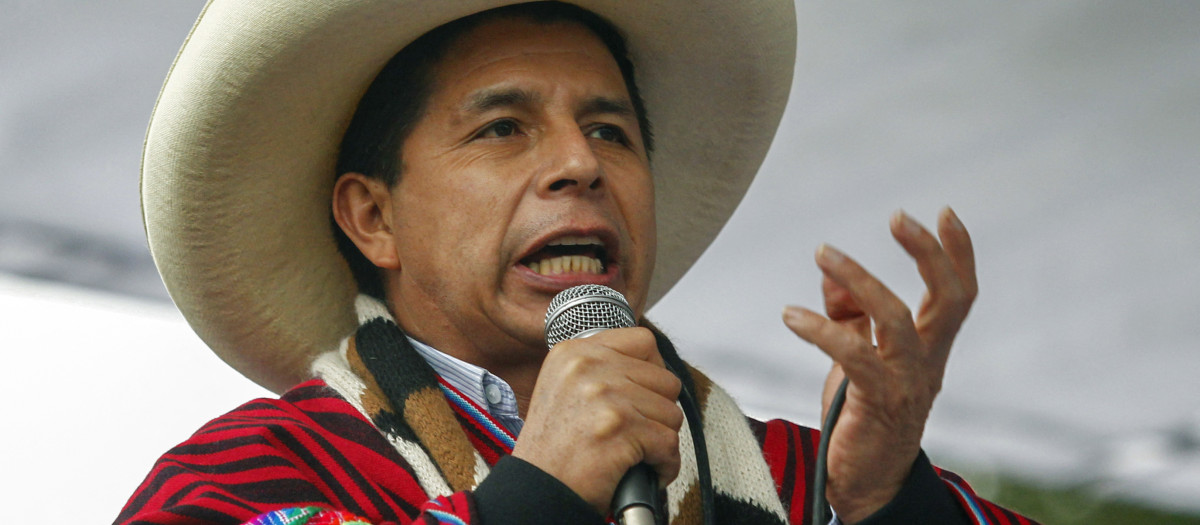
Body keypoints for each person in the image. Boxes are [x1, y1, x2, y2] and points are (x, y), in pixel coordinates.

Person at [119, 1, 1038, 524]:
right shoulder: (247, 475)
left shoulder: (810, 484)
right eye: (503, 127)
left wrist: (891, 501)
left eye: (609, 129)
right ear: (372, 216)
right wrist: (543, 496)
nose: (581, 164)